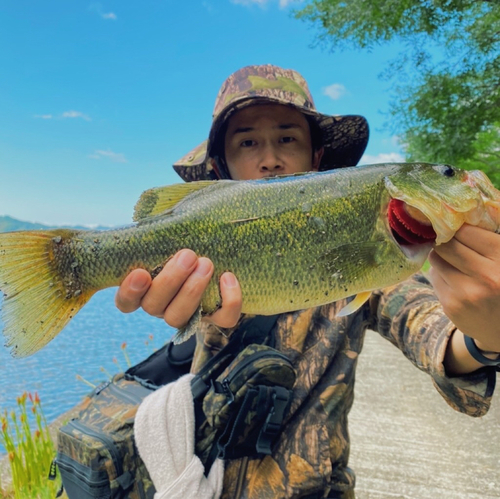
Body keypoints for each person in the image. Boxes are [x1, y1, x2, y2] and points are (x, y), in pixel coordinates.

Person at [115, 65, 500, 498]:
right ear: (220, 165)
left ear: (316, 157)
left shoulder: (379, 259)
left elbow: (433, 330)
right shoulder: (202, 242)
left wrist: (486, 334)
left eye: (287, 138)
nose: (270, 157)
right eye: (247, 142)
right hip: (202, 483)